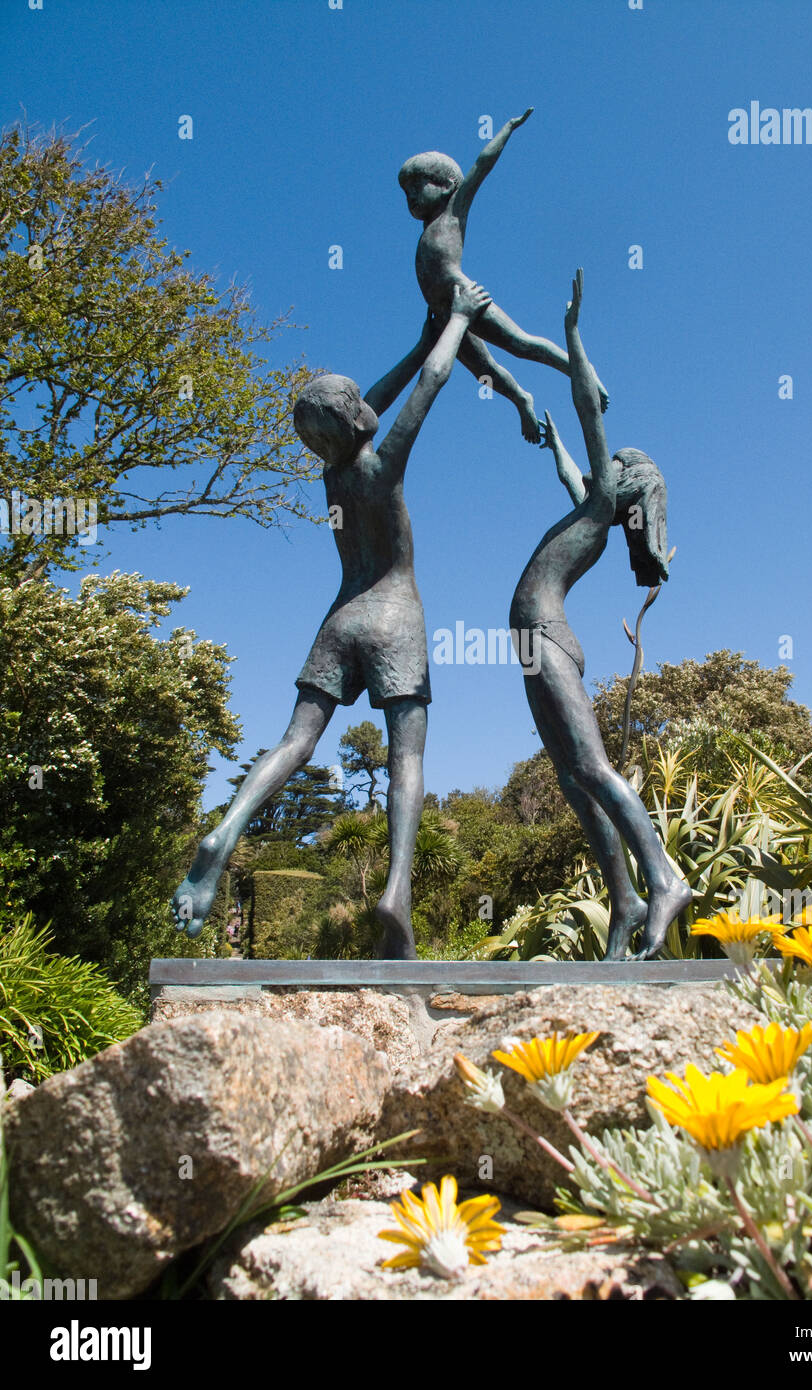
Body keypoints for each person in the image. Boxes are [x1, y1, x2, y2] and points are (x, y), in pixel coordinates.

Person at [171, 281, 492, 960]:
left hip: (339, 617)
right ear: (358, 419)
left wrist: (419, 337)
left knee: (295, 741)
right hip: (395, 614)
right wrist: (457, 324)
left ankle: (225, 830)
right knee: (406, 757)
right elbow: (428, 388)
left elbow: (368, 401)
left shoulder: (333, 474)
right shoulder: (385, 464)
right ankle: (397, 890)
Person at [509, 270, 691, 960]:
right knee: (570, 779)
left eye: (609, 462)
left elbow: (589, 406)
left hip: (546, 636)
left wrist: (572, 335)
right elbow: (569, 464)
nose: (597, 463)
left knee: (590, 765)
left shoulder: (596, 509)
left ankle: (665, 877)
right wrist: (553, 440)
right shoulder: (588, 506)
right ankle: (625, 905)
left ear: (623, 483)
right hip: (534, 641)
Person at [398, 108, 608, 444]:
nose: (410, 197)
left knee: (521, 344)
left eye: (417, 186)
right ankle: (522, 400)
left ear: (448, 186)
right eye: (405, 192)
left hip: (466, 298)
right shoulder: (427, 228)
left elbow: (482, 166)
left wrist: (507, 129)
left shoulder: (453, 213)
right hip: (444, 314)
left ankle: (583, 372)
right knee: (486, 373)